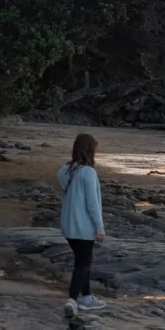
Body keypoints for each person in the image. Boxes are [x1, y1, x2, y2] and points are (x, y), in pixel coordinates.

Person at [58, 133, 107, 317]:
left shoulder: (64, 170)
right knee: (83, 263)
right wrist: (99, 226)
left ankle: (87, 298)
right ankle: (72, 299)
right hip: (83, 226)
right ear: (89, 150)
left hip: (68, 225)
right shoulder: (88, 172)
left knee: (83, 261)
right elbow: (92, 203)